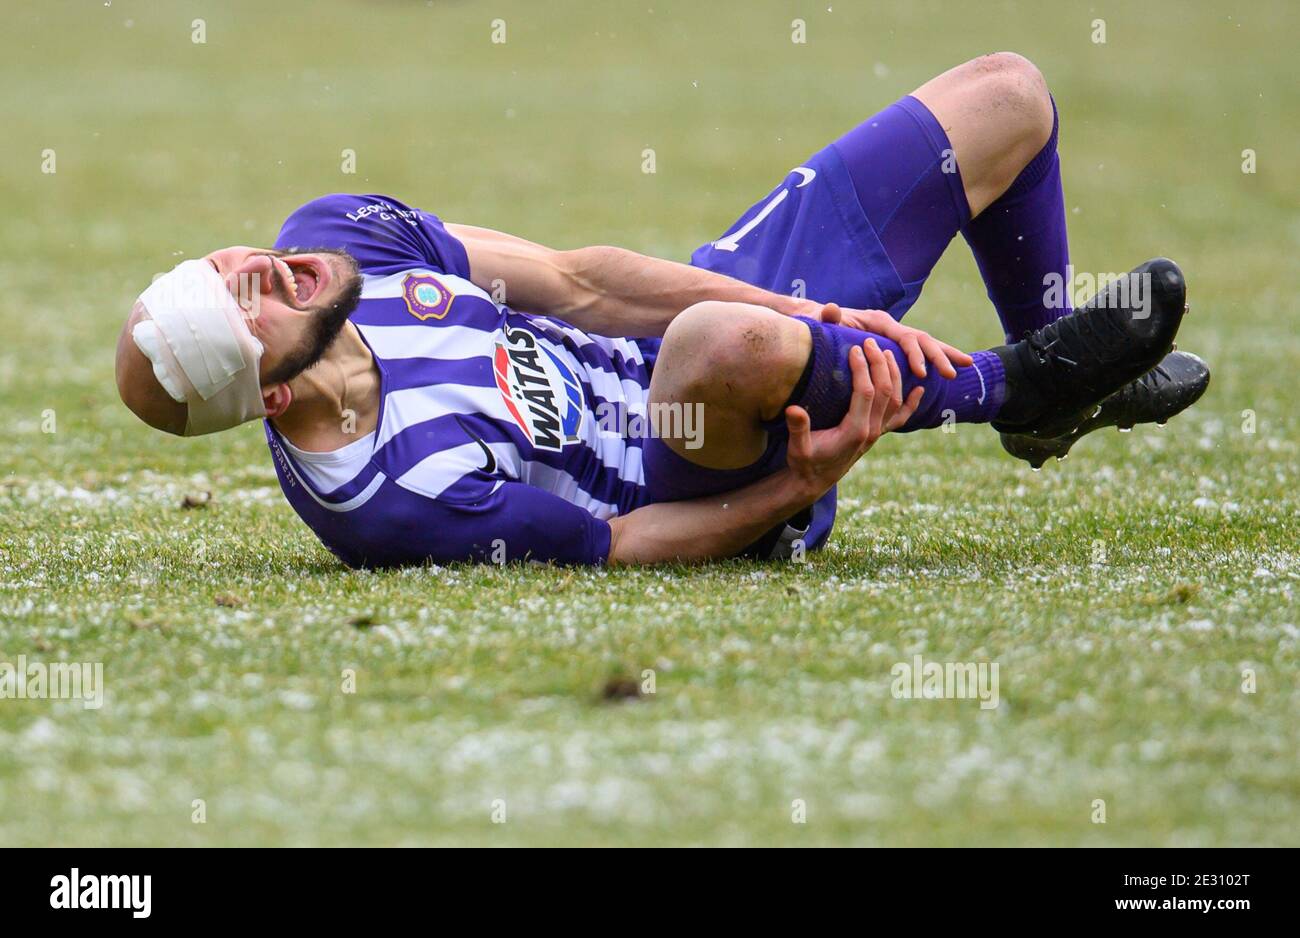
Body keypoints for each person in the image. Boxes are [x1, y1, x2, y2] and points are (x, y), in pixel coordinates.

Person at [114, 52, 1207, 567]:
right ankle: (1012, 385)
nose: (255, 264)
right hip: (703, 457)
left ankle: (1044, 389)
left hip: (698, 337)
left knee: (1005, 97)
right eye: (237, 306)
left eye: (220, 262)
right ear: (267, 392)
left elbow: (584, 283)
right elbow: (625, 541)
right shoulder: (391, 500)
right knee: (714, 339)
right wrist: (796, 483)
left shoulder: (338, 235)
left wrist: (805, 301)